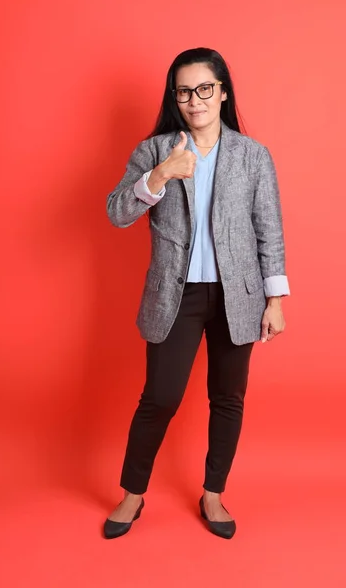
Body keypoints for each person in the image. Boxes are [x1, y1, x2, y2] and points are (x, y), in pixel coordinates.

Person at [104, 47, 290, 540]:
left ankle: (213, 493)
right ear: (175, 97)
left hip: (239, 297)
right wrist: (162, 175)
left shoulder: (253, 155)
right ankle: (133, 494)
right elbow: (117, 212)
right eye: (184, 91)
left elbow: (268, 230)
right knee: (160, 397)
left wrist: (275, 301)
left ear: (223, 92)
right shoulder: (155, 151)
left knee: (227, 398)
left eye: (205, 88)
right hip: (175, 296)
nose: (195, 99)